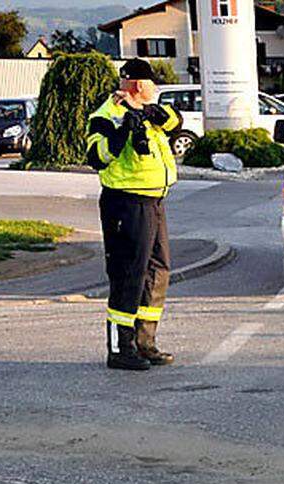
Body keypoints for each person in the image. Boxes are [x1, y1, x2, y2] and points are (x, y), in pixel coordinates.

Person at [85, 58, 181, 370]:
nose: (156, 89)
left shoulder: (149, 111)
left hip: (154, 202)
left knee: (157, 271)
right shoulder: (106, 115)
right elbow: (97, 157)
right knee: (128, 275)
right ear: (140, 85)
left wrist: (143, 113)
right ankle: (120, 349)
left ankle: (145, 342)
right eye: (153, 83)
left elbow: (175, 123)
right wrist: (124, 130)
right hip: (126, 203)